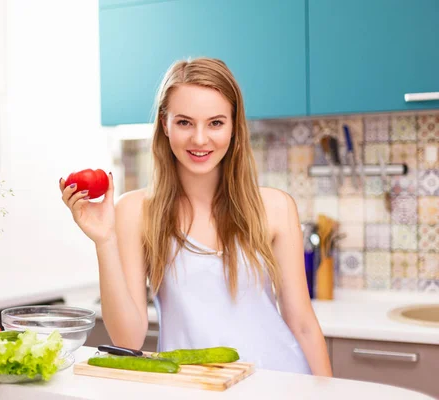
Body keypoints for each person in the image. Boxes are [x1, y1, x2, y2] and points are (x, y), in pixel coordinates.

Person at [60, 57, 332, 376]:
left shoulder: (275, 206)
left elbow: (302, 324)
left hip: (281, 381)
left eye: (215, 123)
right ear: (165, 123)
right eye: (185, 122)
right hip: (191, 387)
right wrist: (104, 240)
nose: (200, 139)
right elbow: (128, 338)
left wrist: (327, 392)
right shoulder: (134, 211)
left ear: (233, 125)